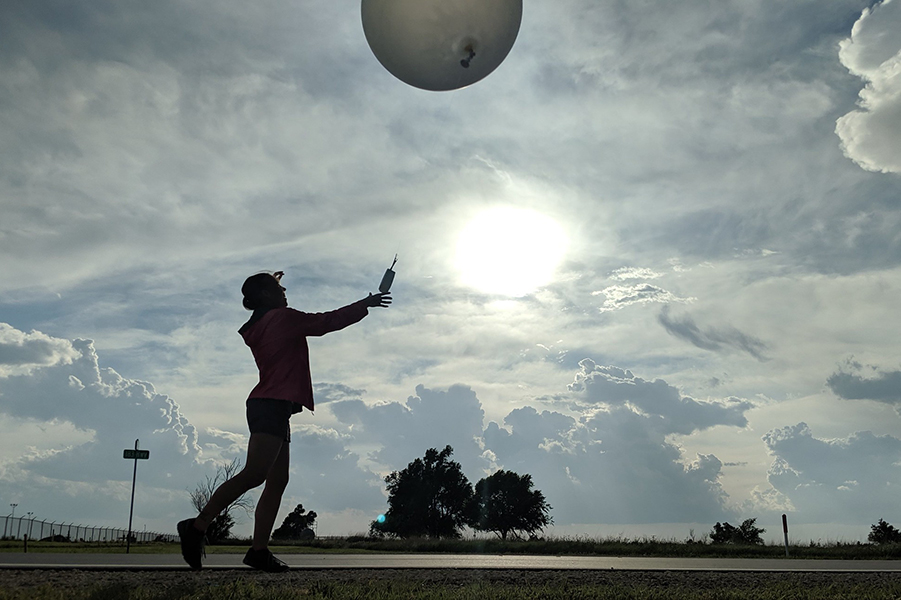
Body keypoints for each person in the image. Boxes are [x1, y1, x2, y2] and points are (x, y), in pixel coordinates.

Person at [177, 270, 391, 572]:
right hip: (270, 405)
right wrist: (365, 303)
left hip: (272, 406)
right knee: (255, 474)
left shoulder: (262, 323)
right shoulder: (283, 319)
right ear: (265, 295)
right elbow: (325, 322)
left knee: (277, 480)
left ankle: (258, 551)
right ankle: (196, 527)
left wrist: (269, 281)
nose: (285, 290)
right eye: (278, 287)